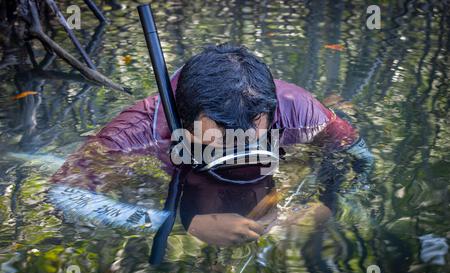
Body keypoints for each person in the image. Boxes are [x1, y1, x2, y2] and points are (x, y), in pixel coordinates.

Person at [50, 44, 373, 243]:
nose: (239, 145)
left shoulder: (296, 108)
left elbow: (357, 153)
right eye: (222, 137)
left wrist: (329, 202)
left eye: (251, 132)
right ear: (184, 119)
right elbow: (65, 192)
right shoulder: (137, 134)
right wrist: (176, 224)